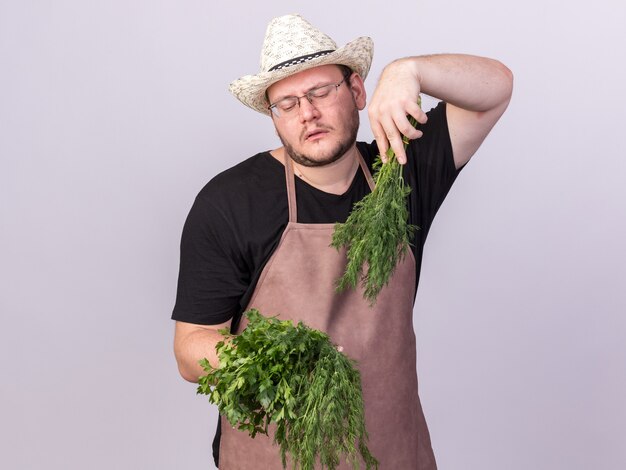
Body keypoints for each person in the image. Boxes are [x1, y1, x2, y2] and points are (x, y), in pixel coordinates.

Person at [172, 13, 513, 470]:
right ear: (273, 118)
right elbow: (192, 347)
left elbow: (495, 90)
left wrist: (408, 70)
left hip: (391, 453)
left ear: (355, 91)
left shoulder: (403, 172)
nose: (306, 113)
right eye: (286, 103)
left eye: (320, 92)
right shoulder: (231, 202)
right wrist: (280, 360)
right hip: (275, 456)